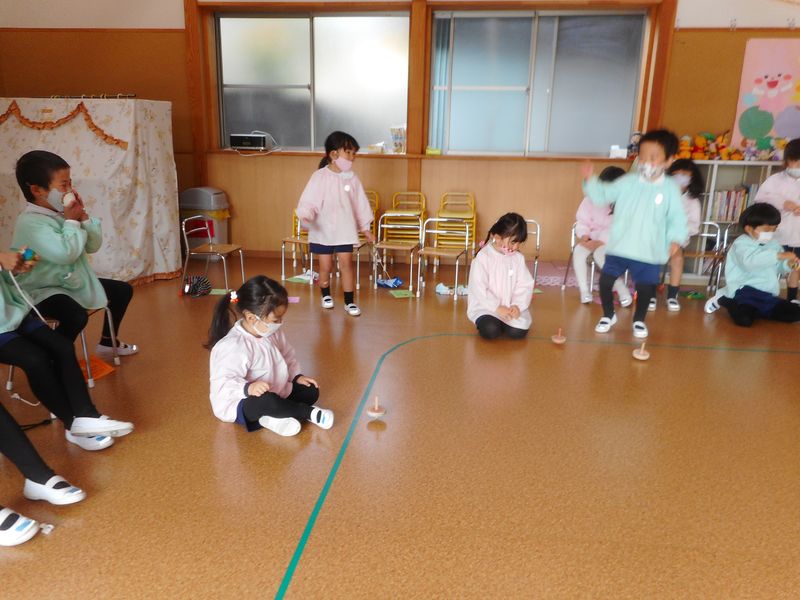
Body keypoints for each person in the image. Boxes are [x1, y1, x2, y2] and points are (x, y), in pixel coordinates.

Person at [0, 249, 133, 545]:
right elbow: (65, 251)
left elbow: (87, 245)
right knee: (35, 358)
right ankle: (50, 459)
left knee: (58, 348)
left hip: (12, 311)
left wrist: (11, 268)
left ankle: (79, 421)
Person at [12, 150, 137, 357]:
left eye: (70, 183)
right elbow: (66, 254)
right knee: (76, 316)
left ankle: (108, 342)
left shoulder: (60, 214)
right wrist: (71, 221)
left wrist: (83, 217)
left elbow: (92, 246)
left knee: (122, 291)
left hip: (67, 285)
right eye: (63, 185)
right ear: (37, 190)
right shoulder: (30, 223)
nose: (69, 190)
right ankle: (53, 357)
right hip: (40, 289)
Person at [581, 129, 688, 339]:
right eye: (643, 156)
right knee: (605, 282)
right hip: (621, 246)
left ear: (668, 161)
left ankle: (639, 320)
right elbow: (603, 195)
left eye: (653, 157)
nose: (646, 162)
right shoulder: (628, 182)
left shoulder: (670, 189)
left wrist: (675, 239)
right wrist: (590, 180)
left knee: (646, 288)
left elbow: (677, 218)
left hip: (648, 250)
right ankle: (608, 315)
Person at [207, 275, 334, 437]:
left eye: (281, 318)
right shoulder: (233, 346)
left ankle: (273, 416)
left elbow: (287, 355)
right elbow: (223, 382)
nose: (280, 323)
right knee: (267, 401)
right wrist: (248, 388)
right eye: (276, 319)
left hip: (275, 388)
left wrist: (296, 377)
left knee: (311, 390)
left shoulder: (271, 332)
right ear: (251, 318)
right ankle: (308, 413)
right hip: (241, 401)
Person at [296, 131, 375, 317]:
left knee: (346, 264)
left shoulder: (352, 178)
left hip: (344, 230)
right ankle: (325, 295)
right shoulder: (319, 176)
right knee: (325, 266)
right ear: (333, 154)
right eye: (349, 152)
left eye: (354, 153)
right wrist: (306, 215)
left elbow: (360, 204)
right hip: (322, 231)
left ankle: (349, 301)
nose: (352, 157)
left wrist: (366, 228)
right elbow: (309, 200)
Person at [704, 203, 800, 326]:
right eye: (767, 230)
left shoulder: (774, 244)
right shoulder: (741, 244)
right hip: (744, 291)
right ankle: (724, 299)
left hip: (767, 292)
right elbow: (750, 262)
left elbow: (778, 267)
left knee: (795, 314)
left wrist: (789, 265)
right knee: (744, 320)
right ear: (749, 229)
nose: (771, 233)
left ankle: (759, 311)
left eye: (774, 229)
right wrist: (778, 256)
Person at [467, 213, 534, 340]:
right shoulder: (483, 257)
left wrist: (517, 305)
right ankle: (495, 322)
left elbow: (524, 285)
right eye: (513, 242)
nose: (516, 247)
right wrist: (497, 307)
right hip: (486, 307)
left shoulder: (518, 259)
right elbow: (479, 288)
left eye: (518, 243)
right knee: (490, 329)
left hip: (509, 307)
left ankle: (504, 323)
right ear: (498, 238)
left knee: (518, 332)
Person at [572, 166, 632, 305]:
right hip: (591, 238)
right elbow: (582, 220)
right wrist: (585, 236)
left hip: (613, 242)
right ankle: (584, 291)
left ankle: (622, 290)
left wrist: (601, 241)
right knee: (579, 252)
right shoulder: (589, 199)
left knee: (601, 255)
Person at [754, 138, 800, 303]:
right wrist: (784, 203)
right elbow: (761, 199)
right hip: (777, 234)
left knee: (795, 266)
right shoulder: (775, 180)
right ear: (787, 161)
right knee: (771, 264)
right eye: (795, 162)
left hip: (797, 235)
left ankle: (792, 298)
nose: (797, 167)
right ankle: (766, 295)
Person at [655, 158, 704, 312]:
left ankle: (672, 295)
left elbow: (693, 226)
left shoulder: (692, 202)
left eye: (684, 175)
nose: (679, 179)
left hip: (677, 239)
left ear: (691, 179)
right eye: (676, 175)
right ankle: (649, 293)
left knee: (677, 258)